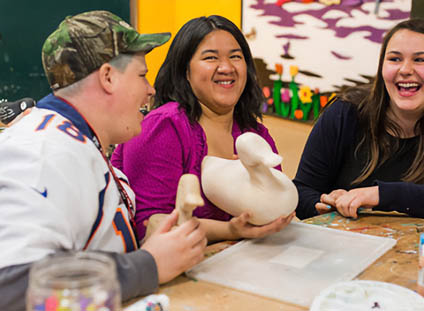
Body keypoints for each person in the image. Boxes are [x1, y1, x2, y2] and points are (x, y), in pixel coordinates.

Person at [0, 11, 207, 310]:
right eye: (142, 75)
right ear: (108, 77)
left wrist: (148, 243)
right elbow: (9, 285)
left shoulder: (79, 141)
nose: (150, 89)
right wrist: (146, 265)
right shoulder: (45, 152)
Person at [294, 18, 424, 228]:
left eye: (420, 60)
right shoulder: (344, 113)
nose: (405, 69)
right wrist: (327, 206)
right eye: (394, 59)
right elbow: (301, 190)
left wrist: (381, 195)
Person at [111, 15, 294, 243]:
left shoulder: (255, 133)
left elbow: (275, 205)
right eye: (210, 58)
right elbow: (151, 227)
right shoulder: (164, 127)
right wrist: (231, 230)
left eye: (236, 57)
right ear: (185, 71)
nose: (226, 68)